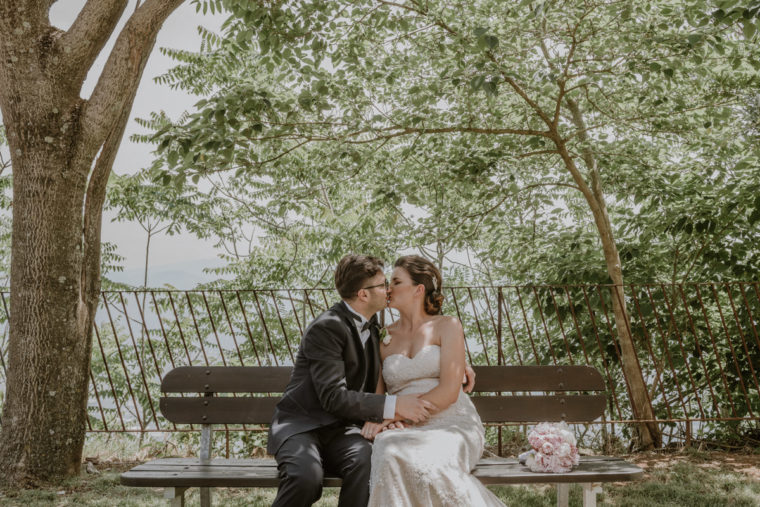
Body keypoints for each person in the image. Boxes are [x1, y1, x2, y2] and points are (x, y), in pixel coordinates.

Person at [268, 254, 476, 507]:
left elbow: (417, 357)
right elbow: (333, 396)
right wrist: (394, 408)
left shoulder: (375, 324)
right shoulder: (328, 327)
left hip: (345, 428)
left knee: (365, 462)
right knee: (306, 478)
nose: (387, 289)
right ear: (364, 295)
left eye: (392, 283)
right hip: (305, 425)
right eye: (382, 285)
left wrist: (458, 365)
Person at [362, 255, 506, 506]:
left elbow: (450, 391)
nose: (388, 288)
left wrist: (394, 415)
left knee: (431, 463)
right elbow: (378, 393)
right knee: (388, 451)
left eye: (396, 282)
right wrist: (392, 416)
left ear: (418, 289)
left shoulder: (447, 326)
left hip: (451, 420)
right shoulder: (383, 335)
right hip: (403, 426)